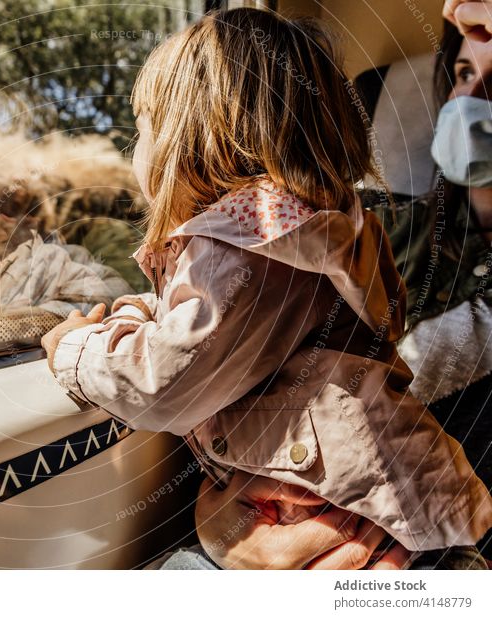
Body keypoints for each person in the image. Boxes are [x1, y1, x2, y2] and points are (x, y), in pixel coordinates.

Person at [40, 8, 492, 567]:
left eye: (143, 128)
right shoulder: (316, 233)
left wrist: (75, 351)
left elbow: (162, 383)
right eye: (464, 77)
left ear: (190, 141)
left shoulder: (247, 242)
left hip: (361, 533)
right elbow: (204, 327)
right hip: (390, 521)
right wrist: (137, 315)